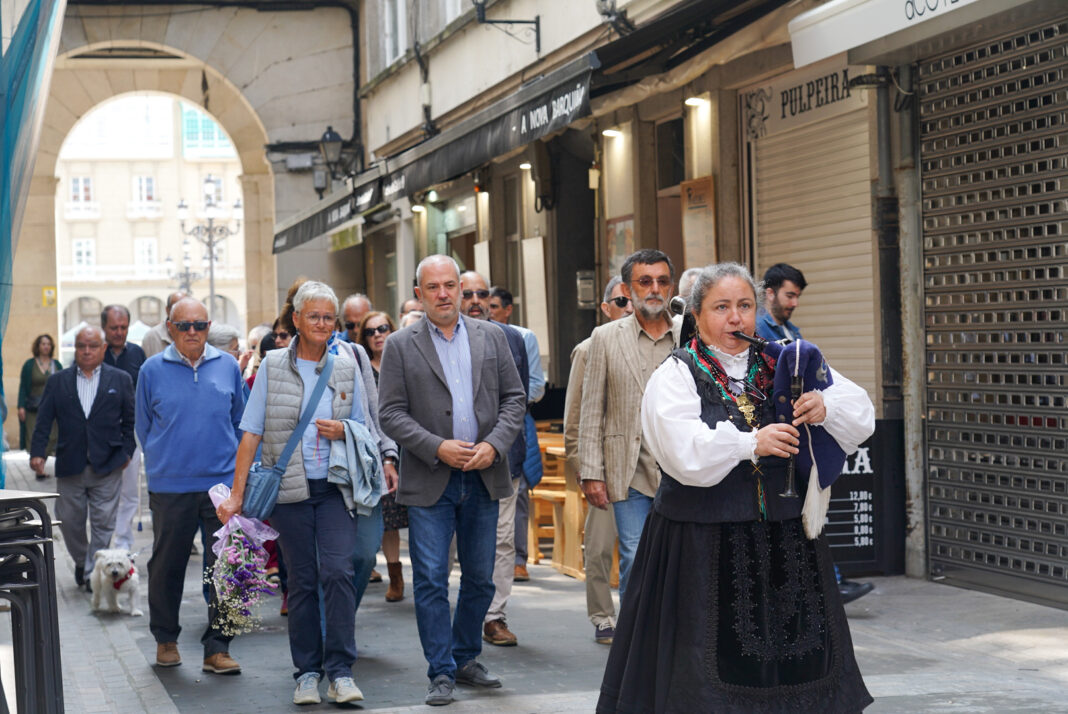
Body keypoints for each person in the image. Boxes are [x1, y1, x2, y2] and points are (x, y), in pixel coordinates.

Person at [598, 262, 875, 712]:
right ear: (697, 314)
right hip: (703, 543)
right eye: (721, 307)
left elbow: (858, 408)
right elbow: (681, 453)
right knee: (706, 664)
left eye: (744, 306)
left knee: (799, 658)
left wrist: (824, 405)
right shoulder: (679, 372)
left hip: (786, 540)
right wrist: (750, 443)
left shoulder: (786, 359)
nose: (735, 318)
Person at [218, 281, 397, 706]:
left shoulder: (346, 366)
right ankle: (307, 673)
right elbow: (251, 433)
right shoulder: (273, 365)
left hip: (335, 488)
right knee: (300, 581)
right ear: (296, 319)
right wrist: (237, 496)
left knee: (337, 572)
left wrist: (344, 429)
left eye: (328, 317)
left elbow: (364, 430)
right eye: (313, 316)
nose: (321, 323)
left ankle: (341, 672)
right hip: (289, 491)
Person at [378, 255, 526, 707]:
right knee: (430, 580)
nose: (443, 294)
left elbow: (515, 399)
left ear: (461, 289)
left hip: (483, 475)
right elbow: (390, 413)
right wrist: (435, 446)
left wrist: (494, 446)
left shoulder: (492, 336)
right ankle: (440, 671)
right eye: (433, 287)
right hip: (430, 479)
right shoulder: (401, 345)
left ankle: (465, 658)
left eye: (450, 285)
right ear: (419, 294)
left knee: (480, 579)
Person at [136, 297, 245, 675]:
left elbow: (241, 422)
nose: (193, 332)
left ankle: (219, 647)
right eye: (184, 326)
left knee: (227, 566)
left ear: (209, 327)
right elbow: (144, 426)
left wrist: (239, 481)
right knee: (167, 565)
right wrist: (165, 462)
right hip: (171, 486)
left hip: (222, 487)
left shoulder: (228, 365)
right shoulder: (151, 369)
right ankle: (166, 639)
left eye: (200, 325)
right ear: (170, 328)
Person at [757, 262, 874, 605]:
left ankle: (830, 581)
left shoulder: (793, 331)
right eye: (789, 295)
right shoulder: (760, 333)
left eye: (797, 296)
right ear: (769, 293)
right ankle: (830, 582)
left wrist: (824, 404)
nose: (794, 302)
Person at [578, 249, 680, 601]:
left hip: (682, 471)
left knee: (678, 562)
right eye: (645, 281)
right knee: (636, 559)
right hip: (629, 471)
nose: (654, 289)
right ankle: (635, 634)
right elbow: (591, 410)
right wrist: (592, 472)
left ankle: (672, 632)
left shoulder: (689, 334)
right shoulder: (605, 338)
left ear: (671, 287)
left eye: (662, 281)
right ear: (627, 288)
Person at [30, 325, 135, 588]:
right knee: (69, 521)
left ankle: (90, 575)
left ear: (103, 348)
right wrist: (38, 453)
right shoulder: (58, 381)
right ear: (75, 349)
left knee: (103, 523)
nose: (87, 351)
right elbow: (44, 419)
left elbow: (130, 420)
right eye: (81, 346)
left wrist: (127, 451)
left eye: (92, 346)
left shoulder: (120, 379)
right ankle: (82, 560)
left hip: (108, 463)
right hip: (70, 463)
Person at [459, 272, 528, 648]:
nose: (475, 300)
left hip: (501, 459)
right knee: (456, 545)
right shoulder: (433, 340)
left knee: (502, 541)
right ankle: (461, 612)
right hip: (449, 461)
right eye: (467, 293)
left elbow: (518, 400)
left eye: (481, 294)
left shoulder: (512, 338)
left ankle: (494, 616)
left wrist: (498, 445)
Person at [565, 276, 630, 645]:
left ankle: (639, 617)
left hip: (644, 465)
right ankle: (603, 616)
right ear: (606, 308)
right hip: (602, 466)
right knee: (601, 547)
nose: (629, 308)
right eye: (621, 301)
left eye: (633, 300)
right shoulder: (588, 349)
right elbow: (574, 415)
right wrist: (584, 469)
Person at [486, 286, 545, 583]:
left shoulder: (522, 337)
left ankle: (519, 559)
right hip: (482, 426)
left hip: (516, 421)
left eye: (494, 305)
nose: (488, 310)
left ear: (508, 310)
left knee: (518, 489)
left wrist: (507, 404)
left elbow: (535, 385)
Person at [357, 310, 408, 602]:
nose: (377, 335)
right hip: (381, 449)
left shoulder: (404, 361)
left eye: (382, 328)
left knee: (419, 514)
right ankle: (395, 576)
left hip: (411, 445)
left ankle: (428, 576)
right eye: (370, 331)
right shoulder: (362, 368)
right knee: (389, 517)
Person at [101, 305, 148, 551]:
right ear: (104, 328)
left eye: (123, 327)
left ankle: (123, 542)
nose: (119, 332)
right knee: (104, 493)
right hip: (101, 435)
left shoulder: (138, 354)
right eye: (114, 328)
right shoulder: (96, 353)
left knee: (129, 492)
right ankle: (103, 541)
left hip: (131, 433)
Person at [18, 334, 62, 460]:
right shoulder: (29, 365)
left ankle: (43, 459)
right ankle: (37, 463)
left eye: (48, 344)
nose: (46, 346)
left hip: (52, 408)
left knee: (51, 437)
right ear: (38, 346)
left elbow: (63, 386)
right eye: (43, 344)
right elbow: (23, 387)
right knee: (33, 437)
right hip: (33, 408)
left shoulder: (57, 365)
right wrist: (21, 406)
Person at [141, 291, 188, 357]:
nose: (181, 311)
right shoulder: (152, 337)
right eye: (175, 307)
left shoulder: (195, 333)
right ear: (167, 310)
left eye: (185, 307)